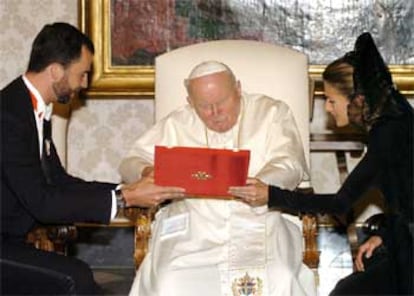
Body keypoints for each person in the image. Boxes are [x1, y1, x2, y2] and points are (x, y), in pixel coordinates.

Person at [0, 22, 184, 295]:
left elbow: (59, 182)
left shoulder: (30, 108)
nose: (84, 84)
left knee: (81, 277)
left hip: (12, 241)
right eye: (82, 74)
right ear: (55, 71)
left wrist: (125, 190)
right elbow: (42, 203)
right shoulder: (9, 116)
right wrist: (126, 200)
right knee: (76, 277)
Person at [230, 32, 413, 295]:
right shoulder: (396, 119)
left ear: (358, 100)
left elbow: (340, 203)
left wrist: (270, 195)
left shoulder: (387, 134)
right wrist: (384, 235)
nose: (327, 108)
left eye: (331, 100)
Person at [119, 60, 316, 296]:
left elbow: (290, 161)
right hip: (194, 225)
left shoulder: (272, 112)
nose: (215, 114)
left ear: (238, 89)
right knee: (169, 282)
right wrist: (148, 172)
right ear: (191, 103)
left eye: (222, 102)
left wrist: (262, 184)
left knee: (280, 276)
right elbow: (130, 161)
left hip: (261, 219)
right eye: (204, 106)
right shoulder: (176, 123)